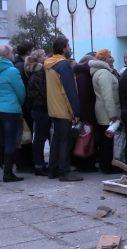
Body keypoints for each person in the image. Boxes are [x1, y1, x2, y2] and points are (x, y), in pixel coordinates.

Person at [44, 37, 83, 181]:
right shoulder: (63, 65)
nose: (70, 49)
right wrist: (76, 111)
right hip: (64, 108)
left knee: (56, 141)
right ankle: (64, 171)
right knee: (64, 141)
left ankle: (53, 170)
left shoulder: (48, 63)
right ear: (63, 48)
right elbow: (69, 90)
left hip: (53, 107)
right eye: (68, 46)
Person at [90, 49, 121, 174]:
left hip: (103, 110)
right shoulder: (104, 73)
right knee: (107, 141)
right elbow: (107, 95)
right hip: (107, 112)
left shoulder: (101, 72)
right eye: (109, 57)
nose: (111, 59)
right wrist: (113, 114)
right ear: (103, 59)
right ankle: (107, 166)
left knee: (105, 140)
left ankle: (106, 165)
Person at [0, 45, 26, 182]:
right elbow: (21, 92)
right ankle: (8, 174)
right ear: (7, 54)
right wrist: (18, 105)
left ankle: (3, 168)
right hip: (10, 111)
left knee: (1, 141)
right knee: (10, 141)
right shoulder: (12, 71)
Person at [25, 49, 51, 176]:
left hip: (36, 108)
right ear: (40, 58)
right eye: (44, 55)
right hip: (41, 108)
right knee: (40, 137)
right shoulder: (40, 72)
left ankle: (39, 163)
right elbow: (44, 91)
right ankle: (39, 165)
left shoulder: (32, 71)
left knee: (40, 136)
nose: (46, 57)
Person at [73, 53, 97, 171]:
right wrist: (84, 115)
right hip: (86, 112)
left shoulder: (80, 74)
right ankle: (85, 164)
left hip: (85, 111)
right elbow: (83, 97)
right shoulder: (83, 76)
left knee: (84, 138)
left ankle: (85, 163)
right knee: (85, 138)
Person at [14, 41, 34, 172]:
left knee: (20, 135)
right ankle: (25, 164)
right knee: (26, 135)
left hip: (18, 106)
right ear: (28, 52)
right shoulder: (23, 67)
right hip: (25, 106)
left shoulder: (15, 65)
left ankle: (21, 163)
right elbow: (23, 89)